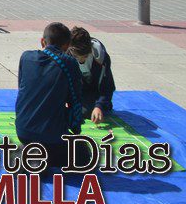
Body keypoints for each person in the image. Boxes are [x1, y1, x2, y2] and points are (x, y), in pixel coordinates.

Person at [16, 22, 86, 170]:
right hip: (51, 136)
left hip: (23, 131)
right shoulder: (69, 63)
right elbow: (75, 102)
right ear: (67, 46)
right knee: (82, 152)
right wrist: (76, 129)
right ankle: (42, 159)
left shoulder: (26, 57)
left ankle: (31, 154)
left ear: (43, 41)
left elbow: (22, 89)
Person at [68, 27, 116, 124]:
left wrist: (99, 106)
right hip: (76, 93)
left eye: (85, 57)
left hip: (94, 94)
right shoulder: (67, 56)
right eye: (77, 57)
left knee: (88, 111)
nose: (81, 61)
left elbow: (108, 87)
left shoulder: (101, 58)